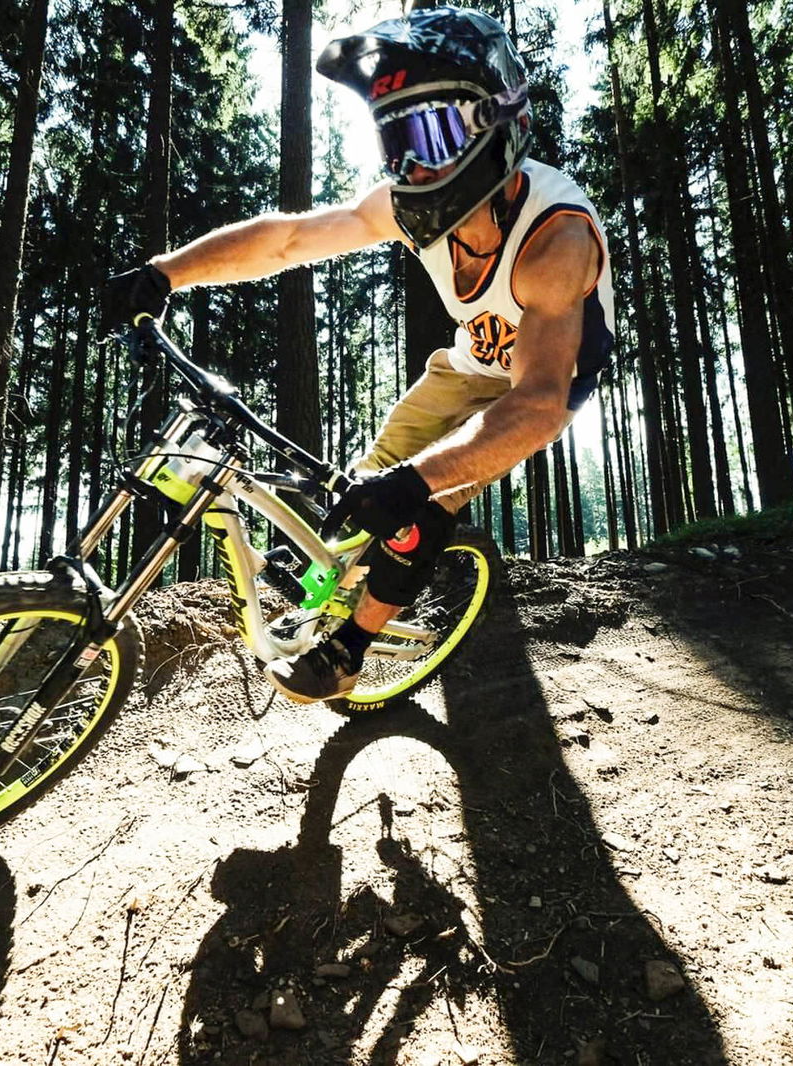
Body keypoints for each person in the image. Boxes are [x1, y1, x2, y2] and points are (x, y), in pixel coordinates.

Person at [106, 4, 614, 704]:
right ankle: (342, 579)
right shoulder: (406, 205)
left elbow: (538, 405)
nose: (411, 166)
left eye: (429, 135)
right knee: (368, 482)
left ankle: (349, 650)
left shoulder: (556, 240)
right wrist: (166, 273)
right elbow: (289, 240)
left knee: (423, 502)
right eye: (394, 141)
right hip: (471, 361)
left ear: (495, 124)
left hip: (540, 384)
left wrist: (418, 483)